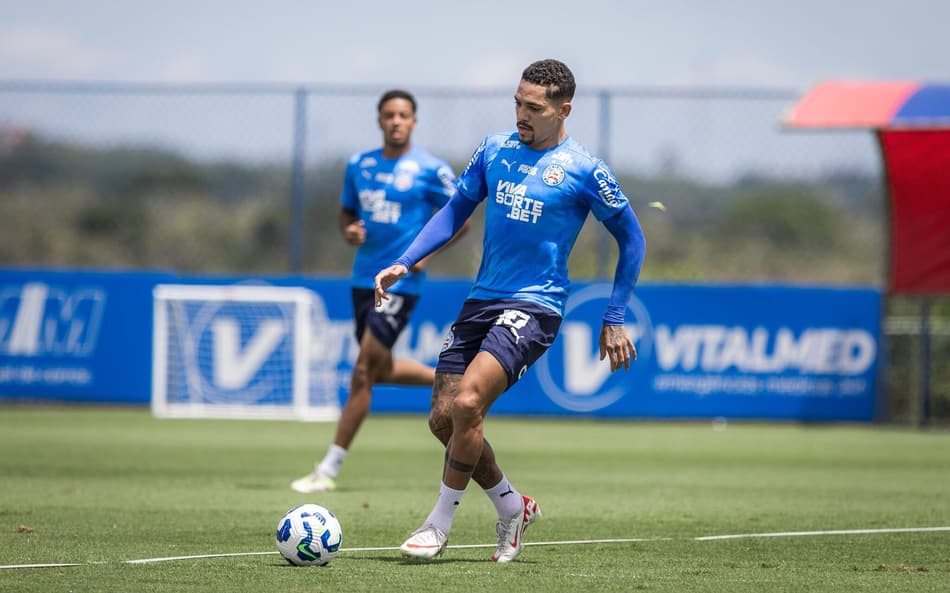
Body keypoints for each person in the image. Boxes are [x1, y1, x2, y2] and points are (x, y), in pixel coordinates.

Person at [373, 59, 647, 563]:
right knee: (443, 419)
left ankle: (438, 524)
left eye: (534, 108)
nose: (522, 114)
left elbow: (632, 238)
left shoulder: (586, 170)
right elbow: (456, 208)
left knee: (468, 403)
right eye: (518, 103)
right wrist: (404, 262)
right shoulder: (494, 149)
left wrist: (613, 316)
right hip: (482, 298)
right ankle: (511, 505)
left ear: (564, 110)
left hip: (536, 305)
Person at [291, 89, 469, 493]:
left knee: (362, 371)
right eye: (389, 114)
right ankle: (453, 379)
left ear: (414, 121)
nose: (396, 121)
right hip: (360, 279)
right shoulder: (359, 165)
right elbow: (347, 213)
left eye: (403, 115)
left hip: (400, 282)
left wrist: (424, 255)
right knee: (382, 369)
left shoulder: (431, 169)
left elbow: (462, 220)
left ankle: (328, 468)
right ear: (379, 120)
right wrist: (348, 230)